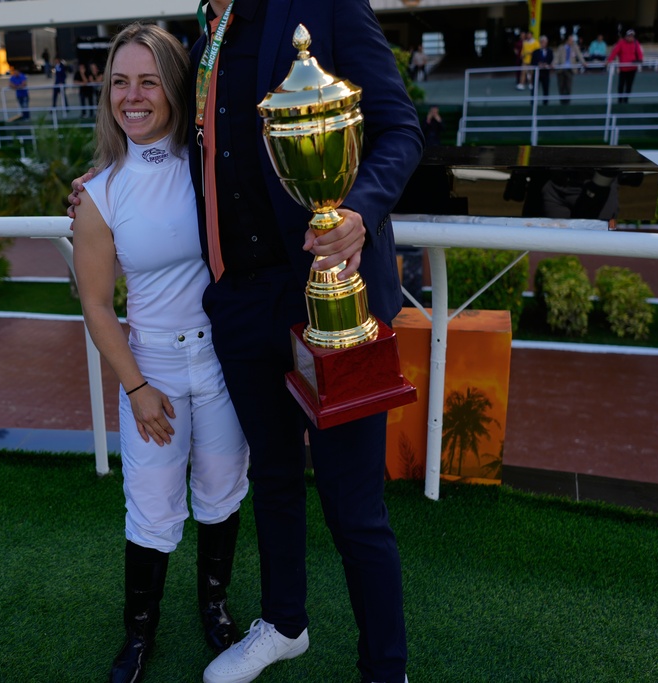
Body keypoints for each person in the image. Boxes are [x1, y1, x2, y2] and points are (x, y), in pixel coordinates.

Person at [71, 3, 422, 682]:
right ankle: (285, 623)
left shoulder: (327, 6)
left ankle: (387, 669)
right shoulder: (205, 38)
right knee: (273, 480)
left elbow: (400, 128)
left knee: (354, 505)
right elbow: (175, 148)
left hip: (331, 292)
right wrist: (98, 187)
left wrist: (359, 210)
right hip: (240, 305)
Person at [70, 24, 250, 683]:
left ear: (174, 87)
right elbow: (96, 305)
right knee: (150, 505)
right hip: (152, 370)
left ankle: (214, 606)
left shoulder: (211, 165)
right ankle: (139, 634)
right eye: (120, 82)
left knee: (223, 491)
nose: (133, 96)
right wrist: (138, 387)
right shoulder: (99, 193)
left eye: (148, 81)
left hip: (223, 363)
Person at [606, 29, 644, 104]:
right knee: (621, 85)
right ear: (626, 36)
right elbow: (615, 52)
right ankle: (620, 100)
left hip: (632, 68)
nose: (630, 38)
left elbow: (639, 53)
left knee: (629, 85)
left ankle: (626, 100)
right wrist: (609, 60)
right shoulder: (621, 43)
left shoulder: (636, 43)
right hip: (623, 68)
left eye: (632, 36)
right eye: (629, 36)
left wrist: (640, 60)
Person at [554, 34, 587, 105]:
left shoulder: (575, 47)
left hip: (570, 69)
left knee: (568, 87)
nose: (572, 42)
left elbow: (579, 55)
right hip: (561, 69)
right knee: (561, 86)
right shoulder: (561, 47)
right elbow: (557, 57)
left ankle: (567, 102)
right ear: (567, 41)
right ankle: (562, 102)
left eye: (572, 40)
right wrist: (553, 64)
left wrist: (583, 62)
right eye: (570, 40)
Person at [531, 35, 555, 104]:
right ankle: (533, 102)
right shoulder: (535, 52)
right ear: (540, 42)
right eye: (542, 42)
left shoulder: (550, 51)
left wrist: (548, 65)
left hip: (546, 73)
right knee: (534, 88)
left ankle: (545, 103)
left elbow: (552, 60)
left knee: (546, 88)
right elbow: (532, 62)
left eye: (545, 42)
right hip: (537, 73)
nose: (543, 44)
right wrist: (538, 64)